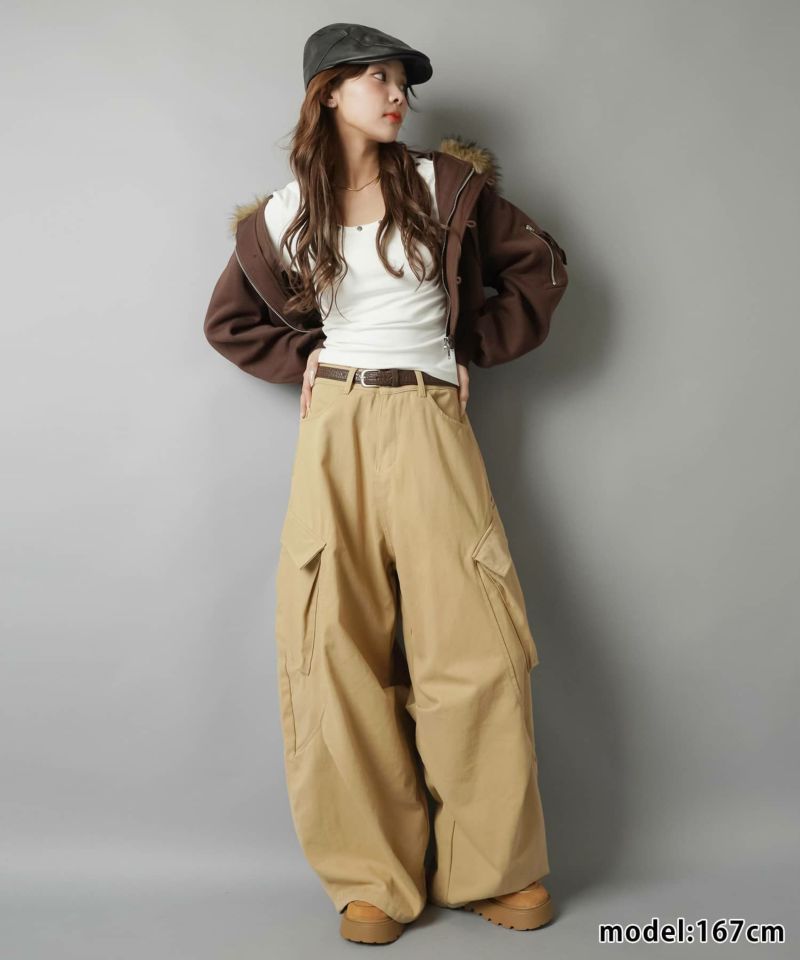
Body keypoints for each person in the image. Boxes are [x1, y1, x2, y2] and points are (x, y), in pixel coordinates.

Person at [203, 21, 569, 945]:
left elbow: (541, 271)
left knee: (471, 644)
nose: (396, 93)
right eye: (374, 78)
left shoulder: (446, 186)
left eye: (402, 80)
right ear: (327, 92)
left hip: (430, 418)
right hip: (335, 427)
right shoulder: (285, 213)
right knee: (333, 646)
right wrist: (304, 361)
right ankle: (372, 876)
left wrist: (464, 348)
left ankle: (495, 867)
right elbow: (230, 320)